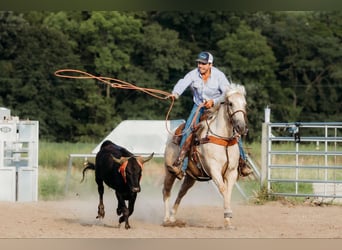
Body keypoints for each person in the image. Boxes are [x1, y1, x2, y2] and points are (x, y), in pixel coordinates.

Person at [167, 51, 252, 180]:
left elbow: (227, 93)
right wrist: (175, 93)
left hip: (217, 107)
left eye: (203, 64)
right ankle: (180, 164)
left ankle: (242, 162)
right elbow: (183, 82)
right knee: (187, 130)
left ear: (210, 65)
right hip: (199, 107)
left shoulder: (219, 76)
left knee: (235, 132)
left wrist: (214, 101)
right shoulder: (193, 74)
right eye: (199, 63)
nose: (200, 66)